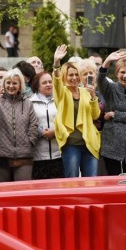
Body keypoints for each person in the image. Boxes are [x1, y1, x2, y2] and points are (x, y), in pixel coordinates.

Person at [52, 45, 101, 178]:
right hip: (71, 144)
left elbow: (95, 115)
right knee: (72, 180)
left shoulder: (86, 92)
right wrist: (56, 63)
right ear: (65, 76)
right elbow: (56, 83)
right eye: (70, 75)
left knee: (91, 182)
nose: (74, 78)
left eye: (76, 75)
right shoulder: (62, 92)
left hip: (89, 143)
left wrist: (93, 96)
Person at [0, 68, 39, 182]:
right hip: (0, 155)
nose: (11, 86)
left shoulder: (27, 103)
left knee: (22, 192)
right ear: (4, 84)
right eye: (8, 83)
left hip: (24, 155)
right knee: (2, 193)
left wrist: (30, 142)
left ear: (20, 85)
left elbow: (33, 125)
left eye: (15, 83)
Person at [98, 50, 126, 175]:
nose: (125, 76)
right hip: (111, 143)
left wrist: (114, 114)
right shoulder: (110, 89)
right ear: (117, 74)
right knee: (113, 179)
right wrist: (107, 61)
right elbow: (100, 79)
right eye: (122, 72)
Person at [30, 71, 63, 179]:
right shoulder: (30, 103)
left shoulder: (60, 100)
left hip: (59, 154)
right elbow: (28, 123)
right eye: (44, 82)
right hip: (39, 156)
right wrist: (42, 132)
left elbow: (66, 122)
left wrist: (55, 132)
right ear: (37, 86)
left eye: (50, 81)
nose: (48, 84)